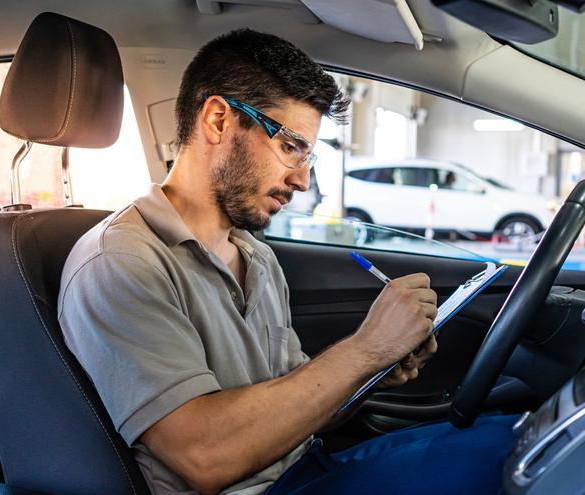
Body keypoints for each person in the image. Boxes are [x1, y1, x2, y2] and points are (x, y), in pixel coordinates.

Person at [58, 29, 516, 495]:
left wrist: (370, 373)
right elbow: (203, 455)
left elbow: (293, 398)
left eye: (309, 156)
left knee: (514, 437)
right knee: (511, 456)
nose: (301, 180)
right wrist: (365, 350)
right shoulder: (120, 262)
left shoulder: (256, 255)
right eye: (291, 146)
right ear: (218, 120)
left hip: (306, 467)